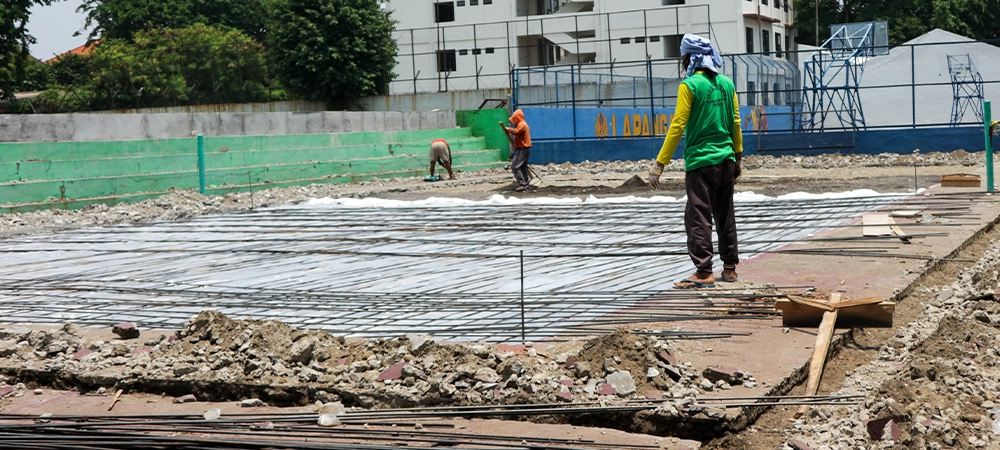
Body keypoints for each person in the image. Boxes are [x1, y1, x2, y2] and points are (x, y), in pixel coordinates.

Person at [647, 33, 743, 290]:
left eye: (683, 56)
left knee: (698, 215)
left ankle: (703, 271)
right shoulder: (727, 85)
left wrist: (660, 163)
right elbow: (735, 122)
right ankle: (730, 268)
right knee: (725, 214)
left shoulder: (689, 86)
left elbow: (678, 124)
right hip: (727, 160)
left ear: (689, 58)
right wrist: (738, 156)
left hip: (701, 163)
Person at [505, 109, 532, 192]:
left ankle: (522, 183)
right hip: (524, 148)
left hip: (522, 149)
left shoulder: (522, 124)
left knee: (515, 167)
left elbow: (517, 131)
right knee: (522, 166)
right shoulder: (523, 124)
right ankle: (525, 182)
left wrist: (509, 129)